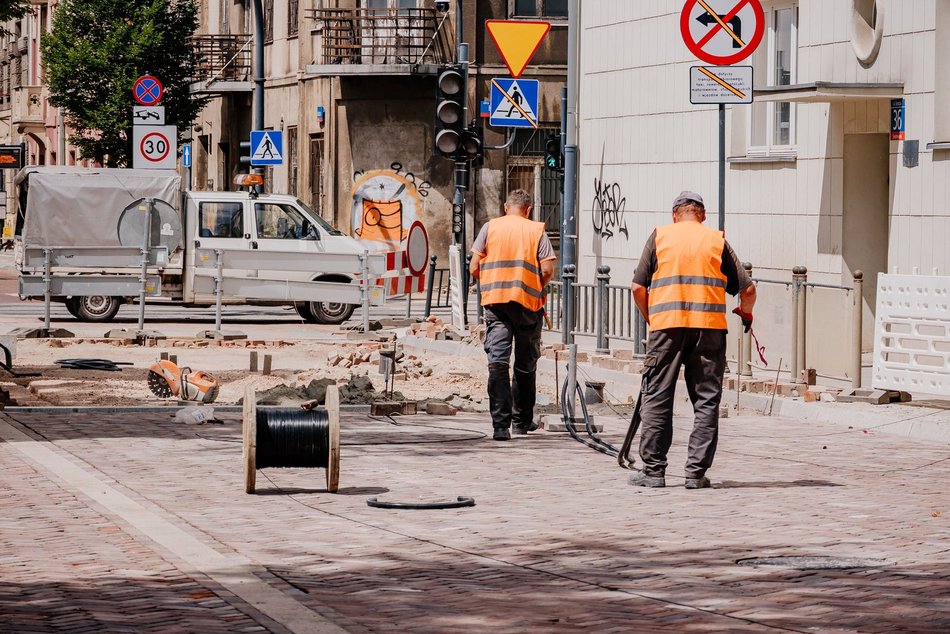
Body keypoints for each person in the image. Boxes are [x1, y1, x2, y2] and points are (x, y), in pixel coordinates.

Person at [628, 191, 756, 489]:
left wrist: (652, 318)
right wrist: (746, 315)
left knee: (658, 395)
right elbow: (747, 291)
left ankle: (654, 471)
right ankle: (695, 473)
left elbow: (637, 287)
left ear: (675, 215)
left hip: (666, 328)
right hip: (709, 329)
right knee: (706, 400)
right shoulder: (716, 240)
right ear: (703, 215)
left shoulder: (660, 237)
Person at [470, 189, 557, 441]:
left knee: (498, 362)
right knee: (525, 364)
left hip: (496, 304)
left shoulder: (489, 227)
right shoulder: (536, 230)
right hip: (528, 305)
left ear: (506, 207)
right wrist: (537, 286)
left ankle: (500, 426)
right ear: (528, 210)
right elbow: (548, 269)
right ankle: (521, 422)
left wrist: (490, 281)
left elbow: (474, 266)